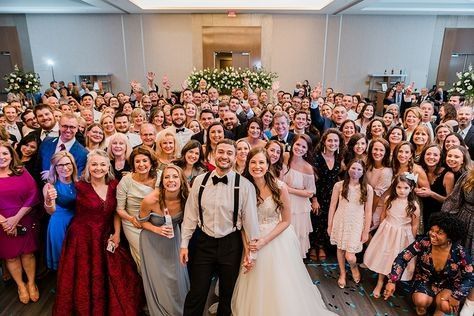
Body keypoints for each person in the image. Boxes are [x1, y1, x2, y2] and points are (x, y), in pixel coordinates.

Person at [231, 147, 337, 316]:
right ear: (247, 164)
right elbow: (243, 224)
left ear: (268, 165)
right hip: (252, 240)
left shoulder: (280, 187)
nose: (257, 166)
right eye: (253, 162)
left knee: (279, 283)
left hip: (275, 239)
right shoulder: (243, 187)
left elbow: (287, 220)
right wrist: (247, 251)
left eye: (261, 162)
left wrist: (264, 241)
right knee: (255, 282)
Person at [53, 149, 143, 315]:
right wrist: (48, 196)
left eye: (102, 164)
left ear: (108, 167)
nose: (98, 168)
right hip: (82, 238)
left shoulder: (115, 185)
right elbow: (57, 197)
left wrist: (116, 234)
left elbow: (117, 211)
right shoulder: (79, 186)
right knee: (83, 277)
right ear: (88, 167)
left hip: (105, 234)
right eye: (94, 164)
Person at [179, 139, 259, 316]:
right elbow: (190, 216)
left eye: (229, 153)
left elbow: (251, 222)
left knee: (227, 294)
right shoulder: (200, 181)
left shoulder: (245, 186)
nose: (224, 156)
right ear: (214, 154)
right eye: (221, 152)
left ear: (236, 156)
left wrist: (252, 253)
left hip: (231, 243)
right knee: (197, 292)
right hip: (203, 242)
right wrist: (184, 244)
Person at [384, 213, 473, 316]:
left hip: (447, 284)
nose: (432, 234)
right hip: (425, 280)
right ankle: (422, 308)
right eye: (432, 230)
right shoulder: (424, 242)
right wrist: (393, 281)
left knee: (446, 306)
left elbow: (470, 277)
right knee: (420, 301)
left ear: (450, 237)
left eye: (439, 233)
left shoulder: (460, 252)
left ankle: (439, 308)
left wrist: (457, 297)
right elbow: (402, 258)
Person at [138, 165, 190, 316]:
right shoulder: (150, 200)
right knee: (158, 280)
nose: (171, 180)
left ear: (181, 180)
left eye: (175, 177)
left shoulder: (187, 197)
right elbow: (141, 221)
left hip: (174, 241)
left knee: (177, 279)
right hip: (152, 242)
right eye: (167, 177)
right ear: (162, 181)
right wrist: (157, 229)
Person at [364, 173, 420, 298]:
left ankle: (391, 282)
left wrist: (411, 239)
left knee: (395, 258)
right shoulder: (389, 199)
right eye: (399, 187)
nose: (402, 191)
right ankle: (379, 283)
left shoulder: (413, 205)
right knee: (384, 256)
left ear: (411, 188)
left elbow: (414, 224)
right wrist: (382, 228)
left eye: (406, 188)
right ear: (394, 187)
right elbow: (384, 214)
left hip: (402, 235)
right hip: (387, 231)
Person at [0, 141, 40, 304]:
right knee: (10, 257)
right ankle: (21, 285)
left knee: (28, 254)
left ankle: (31, 283)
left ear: (11, 155)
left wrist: (15, 219)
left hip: (23, 218)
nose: (1, 157)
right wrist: (5, 223)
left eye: (4, 153)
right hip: (2, 223)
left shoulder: (20, 171)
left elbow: (33, 193)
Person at [328, 159, 373, 288]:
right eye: (353, 168)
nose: (355, 171)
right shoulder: (339, 185)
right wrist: (330, 225)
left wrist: (366, 231)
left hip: (356, 223)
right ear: (348, 169)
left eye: (359, 169)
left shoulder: (367, 189)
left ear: (363, 172)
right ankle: (342, 273)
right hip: (340, 220)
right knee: (340, 250)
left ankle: (353, 267)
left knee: (350, 255)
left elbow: (368, 212)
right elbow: (332, 206)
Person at [116, 147, 158, 269]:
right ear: (133, 164)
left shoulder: (160, 176)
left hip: (156, 222)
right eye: (137, 161)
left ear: (151, 162)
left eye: (145, 161)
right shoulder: (126, 180)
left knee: (159, 256)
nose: (141, 164)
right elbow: (119, 209)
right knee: (145, 257)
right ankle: (147, 285)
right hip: (133, 223)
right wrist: (131, 219)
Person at [311, 128, 345, 261]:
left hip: (333, 196)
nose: (333, 143)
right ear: (324, 142)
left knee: (327, 222)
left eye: (336, 141)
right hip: (317, 194)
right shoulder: (317, 157)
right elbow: (312, 179)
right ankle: (314, 247)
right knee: (316, 220)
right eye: (330, 140)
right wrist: (314, 198)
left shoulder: (339, 158)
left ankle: (322, 247)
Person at [281, 134, 317, 258]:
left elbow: (310, 192)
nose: (299, 148)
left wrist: (289, 190)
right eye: (297, 144)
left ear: (307, 150)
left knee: (294, 232)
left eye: (303, 147)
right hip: (282, 201)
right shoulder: (285, 157)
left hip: (298, 205)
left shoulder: (307, 168)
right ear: (292, 144)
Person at [43, 152, 78, 271]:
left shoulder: (79, 183)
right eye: (60, 165)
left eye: (68, 163)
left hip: (77, 223)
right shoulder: (50, 186)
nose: (65, 168)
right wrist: (48, 199)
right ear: (55, 168)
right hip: (59, 224)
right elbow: (51, 210)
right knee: (63, 258)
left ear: (73, 165)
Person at [415, 144, 455, 228]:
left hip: (438, 216)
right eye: (428, 154)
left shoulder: (448, 175)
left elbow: (449, 201)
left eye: (435, 155)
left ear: (440, 158)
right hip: (421, 214)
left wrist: (431, 194)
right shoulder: (419, 170)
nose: (431, 157)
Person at [365, 139, 393, 230]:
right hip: (366, 203)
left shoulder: (386, 171)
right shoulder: (369, 165)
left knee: (364, 227)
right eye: (375, 149)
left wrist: (370, 215)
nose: (378, 152)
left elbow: (377, 197)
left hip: (377, 207)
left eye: (381, 150)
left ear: (386, 153)